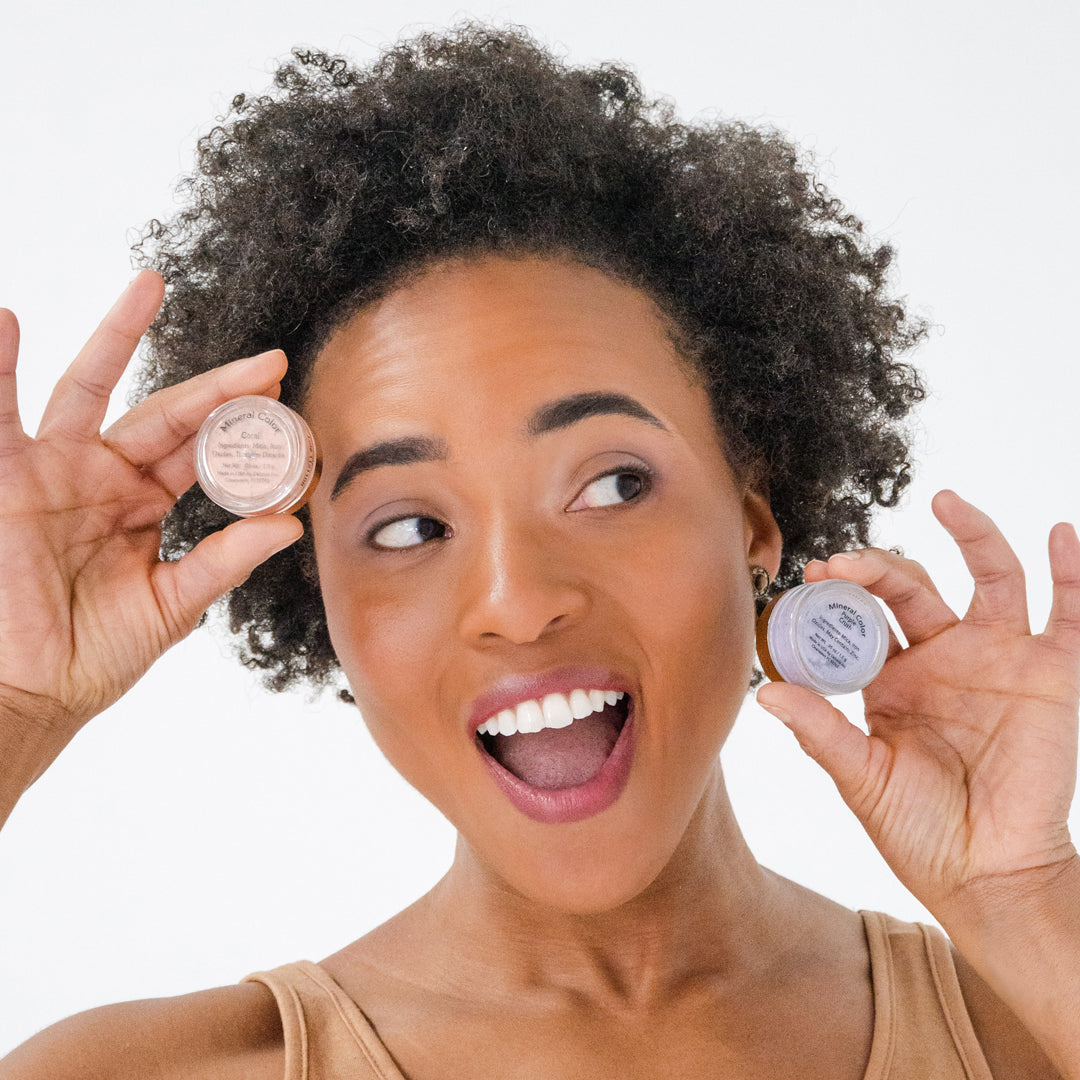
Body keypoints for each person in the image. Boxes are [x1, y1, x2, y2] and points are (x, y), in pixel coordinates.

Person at [1, 24, 1078, 1080]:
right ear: (314, 585)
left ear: (753, 522)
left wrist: (1025, 902)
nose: (518, 601)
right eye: (408, 527)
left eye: (612, 485)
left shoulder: (1031, 1027)